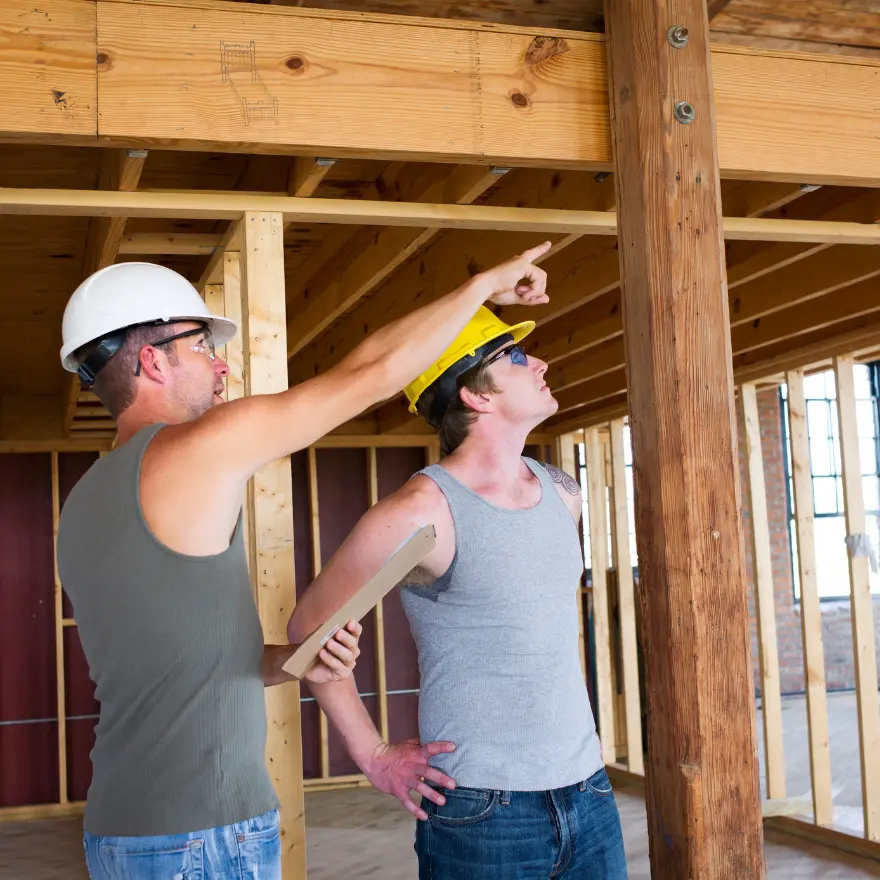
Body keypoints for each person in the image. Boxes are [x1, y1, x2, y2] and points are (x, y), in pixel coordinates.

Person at [54, 242, 552, 880]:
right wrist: (482, 284)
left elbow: (177, 672)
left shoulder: (86, 503)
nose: (222, 368)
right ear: (152, 360)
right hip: (201, 836)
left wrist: (290, 665)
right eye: (203, 346)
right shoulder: (191, 450)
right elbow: (367, 374)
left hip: (123, 829)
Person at [287, 307, 628, 878]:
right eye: (515, 358)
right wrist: (372, 756)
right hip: (482, 812)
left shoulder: (561, 491)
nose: (539, 362)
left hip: (588, 790)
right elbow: (307, 629)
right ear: (476, 396)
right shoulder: (423, 511)